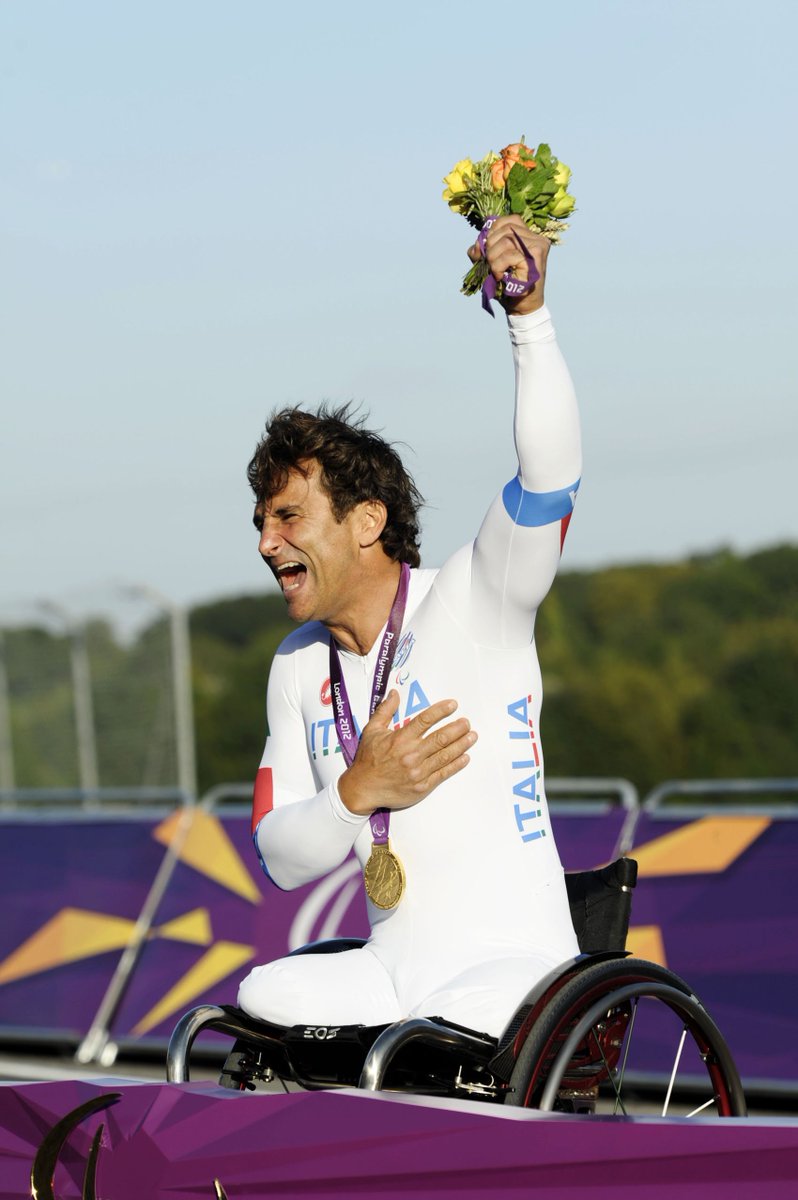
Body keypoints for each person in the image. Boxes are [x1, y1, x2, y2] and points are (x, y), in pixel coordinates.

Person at [238, 216, 582, 1039]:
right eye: (259, 521)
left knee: (434, 1028)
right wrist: (358, 793)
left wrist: (529, 319)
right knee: (260, 997)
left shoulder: (475, 598)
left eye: (288, 516)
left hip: (517, 974)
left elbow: (551, 480)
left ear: (366, 521)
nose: (265, 542)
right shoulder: (296, 665)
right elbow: (279, 859)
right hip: (393, 976)